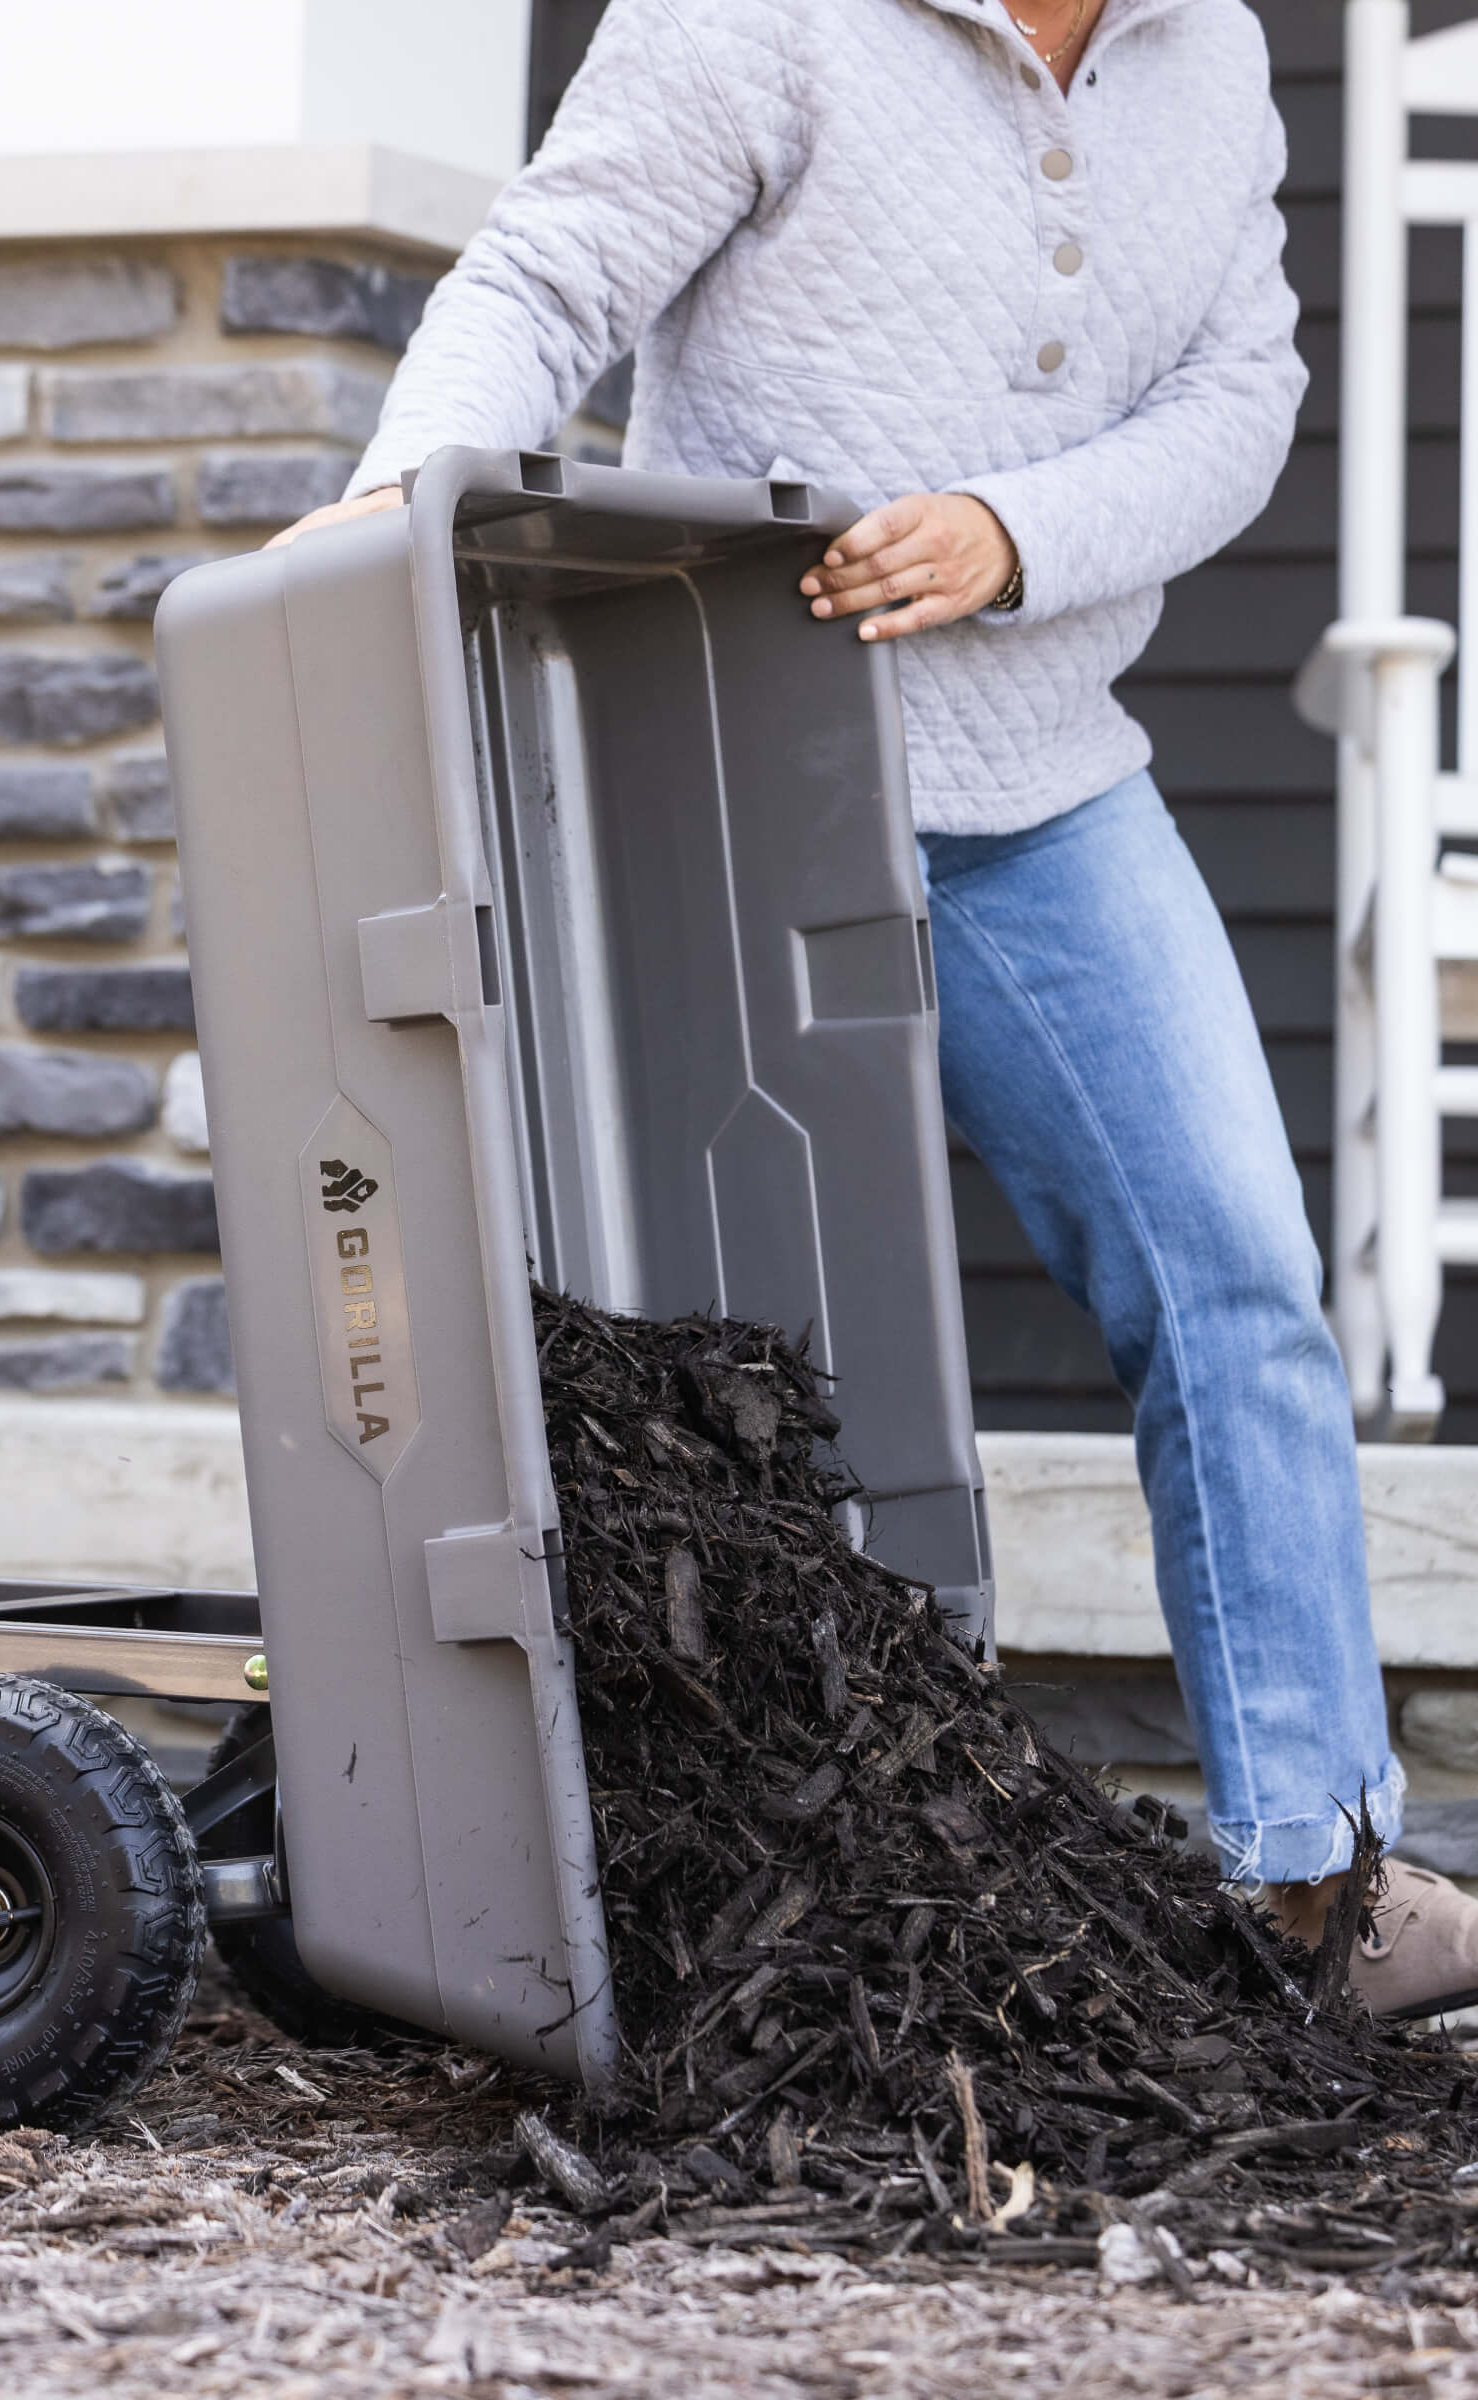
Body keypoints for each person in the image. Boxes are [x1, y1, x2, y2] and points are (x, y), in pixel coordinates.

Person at [273, 0, 1478, 2013]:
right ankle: (680, 1900)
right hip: (730, 764)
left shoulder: (1212, 55)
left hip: (1048, 786)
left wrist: (1015, 536)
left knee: (1237, 1277)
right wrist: (398, 504)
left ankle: (1312, 1881)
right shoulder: (762, 17)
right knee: (722, 1361)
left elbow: (1241, 388)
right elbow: (552, 273)